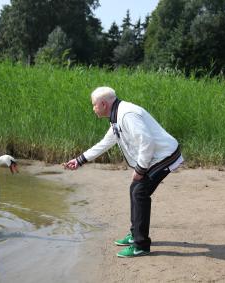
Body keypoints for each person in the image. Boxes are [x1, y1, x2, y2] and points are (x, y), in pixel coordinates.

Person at [63, 86, 183, 258]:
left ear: (103, 104)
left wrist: (140, 169)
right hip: (156, 156)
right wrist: (80, 160)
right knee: (136, 189)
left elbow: (146, 142)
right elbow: (106, 142)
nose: (93, 108)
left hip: (165, 154)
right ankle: (135, 234)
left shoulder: (126, 115)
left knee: (139, 192)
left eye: (94, 105)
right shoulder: (117, 115)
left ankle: (140, 245)